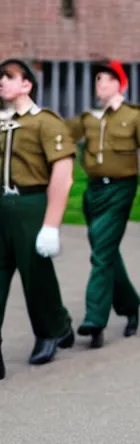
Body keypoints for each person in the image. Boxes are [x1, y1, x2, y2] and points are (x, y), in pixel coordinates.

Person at [66, 60, 140, 348]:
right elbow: (56, 137)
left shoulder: (137, 117)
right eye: (98, 79)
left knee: (100, 255)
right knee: (105, 252)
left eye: (108, 79)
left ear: (121, 84)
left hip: (121, 190)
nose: (102, 84)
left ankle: (94, 318)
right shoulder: (88, 118)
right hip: (93, 192)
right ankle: (130, 304)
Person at [0, 58, 75, 380]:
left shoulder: (46, 122)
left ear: (27, 84)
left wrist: (51, 225)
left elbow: (62, 174)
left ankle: (52, 330)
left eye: (8, 77)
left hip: (31, 203)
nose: (1, 83)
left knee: (36, 276)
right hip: (1, 206)